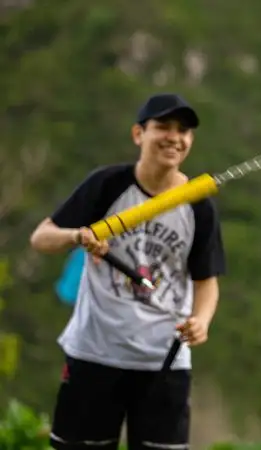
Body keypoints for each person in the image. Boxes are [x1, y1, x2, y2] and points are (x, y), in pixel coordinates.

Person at [29, 93, 226, 450]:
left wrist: (202, 320)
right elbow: (41, 238)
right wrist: (78, 236)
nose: (174, 137)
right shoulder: (107, 185)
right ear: (139, 134)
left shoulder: (198, 204)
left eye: (183, 131)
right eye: (163, 127)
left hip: (165, 361)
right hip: (95, 354)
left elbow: (206, 281)